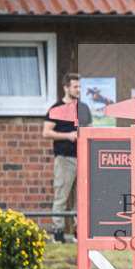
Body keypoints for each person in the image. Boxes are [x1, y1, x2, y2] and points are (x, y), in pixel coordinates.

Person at [42, 73, 92, 243]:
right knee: (62, 196)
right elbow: (46, 132)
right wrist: (68, 135)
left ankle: (79, 232)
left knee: (82, 197)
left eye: (80, 87)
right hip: (64, 158)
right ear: (66, 88)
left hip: (83, 158)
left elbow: (90, 130)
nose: (79, 90)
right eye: (75, 87)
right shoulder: (56, 108)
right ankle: (58, 233)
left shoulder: (84, 108)